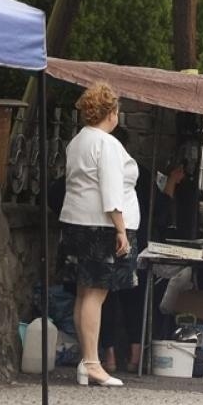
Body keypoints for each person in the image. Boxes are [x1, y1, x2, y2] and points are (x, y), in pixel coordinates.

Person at [59, 83, 139, 387]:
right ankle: (93, 363)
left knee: (83, 293)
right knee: (96, 293)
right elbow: (111, 190)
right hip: (101, 227)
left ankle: (86, 360)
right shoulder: (107, 144)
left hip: (76, 222)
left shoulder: (77, 141)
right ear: (112, 112)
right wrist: (121, 229)